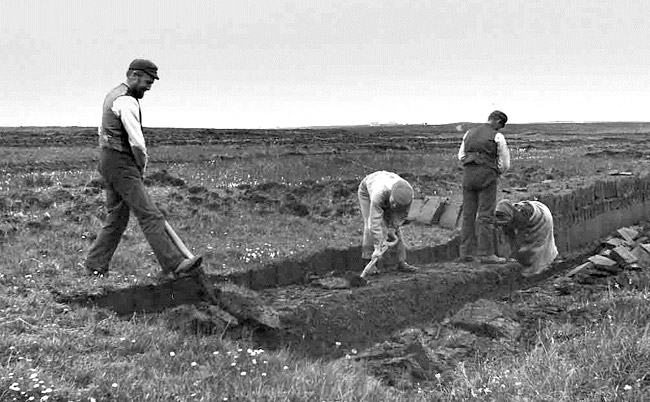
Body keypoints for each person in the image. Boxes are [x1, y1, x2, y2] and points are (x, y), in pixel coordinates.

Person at [84, 59, 203, 278]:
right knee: (150, 215)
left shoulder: (112, 95)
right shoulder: (127, 101)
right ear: (134, 75)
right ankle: (174, 264)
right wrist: (140, 166)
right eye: (147, 82)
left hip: (108, 159)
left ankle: (95, 264)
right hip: (122, 163)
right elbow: (137, 143)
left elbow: (103, 129)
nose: (149, 87)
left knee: (117, 217)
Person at [457, 110, 511, 263]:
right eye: (501, 125)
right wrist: (497, 171)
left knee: (468, 215)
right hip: (487, 178)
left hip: (468, 177)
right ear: (499, 122)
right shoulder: (497, 136)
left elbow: (461, 156)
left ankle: (466, 253)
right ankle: (486, 254)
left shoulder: (469, 133)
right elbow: (504, 163)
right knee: (485, 215)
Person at [357, 171, 418, 274]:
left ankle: (400, 262)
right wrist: (377, 247)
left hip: (388, 184)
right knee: (369, 226)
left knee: (395, 230)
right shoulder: (378, 194)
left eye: (396, 205)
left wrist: (393, 228)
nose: (393, 206)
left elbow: (402, 214)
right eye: (393, 202)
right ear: (391, 194)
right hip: (367, 190)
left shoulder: (407, 194)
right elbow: (374, 223)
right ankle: (368, 260)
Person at [495, 199, 558, 276]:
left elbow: (518, 239)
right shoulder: (506, 215)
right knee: (526, 250)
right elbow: (510, 237)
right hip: (531, 214)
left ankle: (540, 269)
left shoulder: (520, 216)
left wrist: (514, 257)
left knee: (538, 247)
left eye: (504, 221)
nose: (502, 224)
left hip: (542, 217)